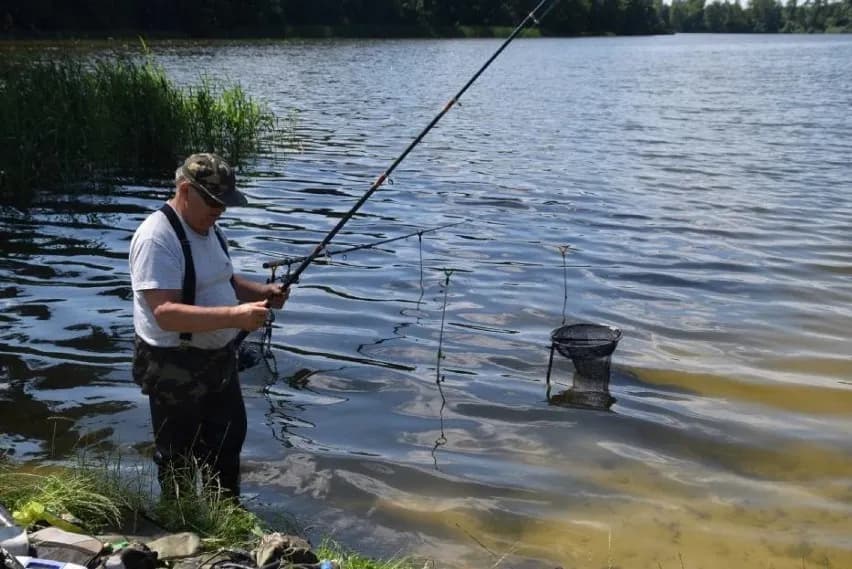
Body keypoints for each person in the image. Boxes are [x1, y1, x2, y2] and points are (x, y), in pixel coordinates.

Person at [129, 153, 288, 499]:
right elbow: (166, 313)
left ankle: (226, 515)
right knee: (178, 454)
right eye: (213, 200)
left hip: (218, 358)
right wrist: (236, 316)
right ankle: (181, 519)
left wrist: (262, 292)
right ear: (185, 191)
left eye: (225, 202)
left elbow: (223, 280)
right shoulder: (157, 239)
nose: (221, 209)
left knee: (228, 439)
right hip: (173, 362)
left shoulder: (211, 229)